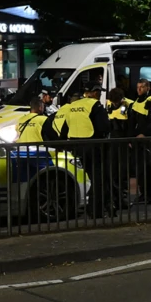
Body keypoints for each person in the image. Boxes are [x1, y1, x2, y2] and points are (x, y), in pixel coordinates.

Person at [59, 85, 113, 217]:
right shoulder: (95, 105)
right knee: (98, 179)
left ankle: (91, 207)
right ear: (94, 93)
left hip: (75, 147)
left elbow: (64, 130)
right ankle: (96, 211)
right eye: (99, 92)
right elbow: (104, 127)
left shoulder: (72, 106)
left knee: (87, 178)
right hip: (93, 146)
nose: (100, 95)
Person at [128, 79, 151, 204]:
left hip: (149, 139)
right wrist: (131, 138)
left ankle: (150, 195)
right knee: (140, 169)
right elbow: (131, 123)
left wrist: (145, 134)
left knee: (148, 168)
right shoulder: (135, 103)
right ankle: (143, 194)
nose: (139, 89)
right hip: (137, 140)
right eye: (138, 87)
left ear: (148, 88)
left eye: (142, 87)